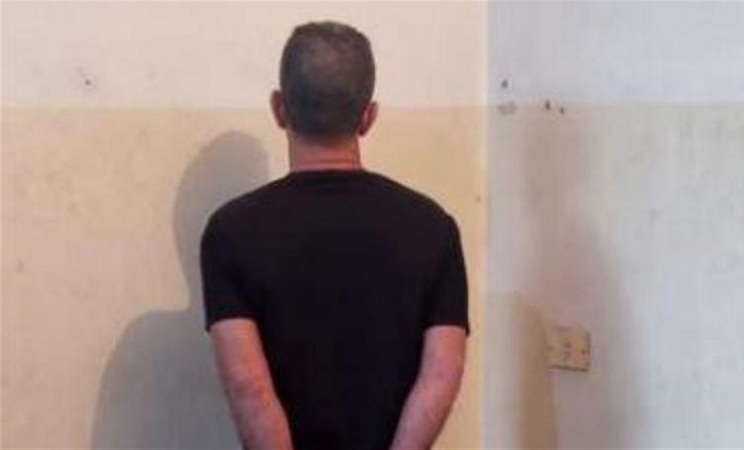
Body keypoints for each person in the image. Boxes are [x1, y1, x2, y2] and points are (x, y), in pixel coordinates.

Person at [200, 21, 469, 450]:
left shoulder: (230, 232)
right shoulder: (433, 226)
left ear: (279, 108)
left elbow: (248, 387)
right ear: (368, 116)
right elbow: (442, 373)